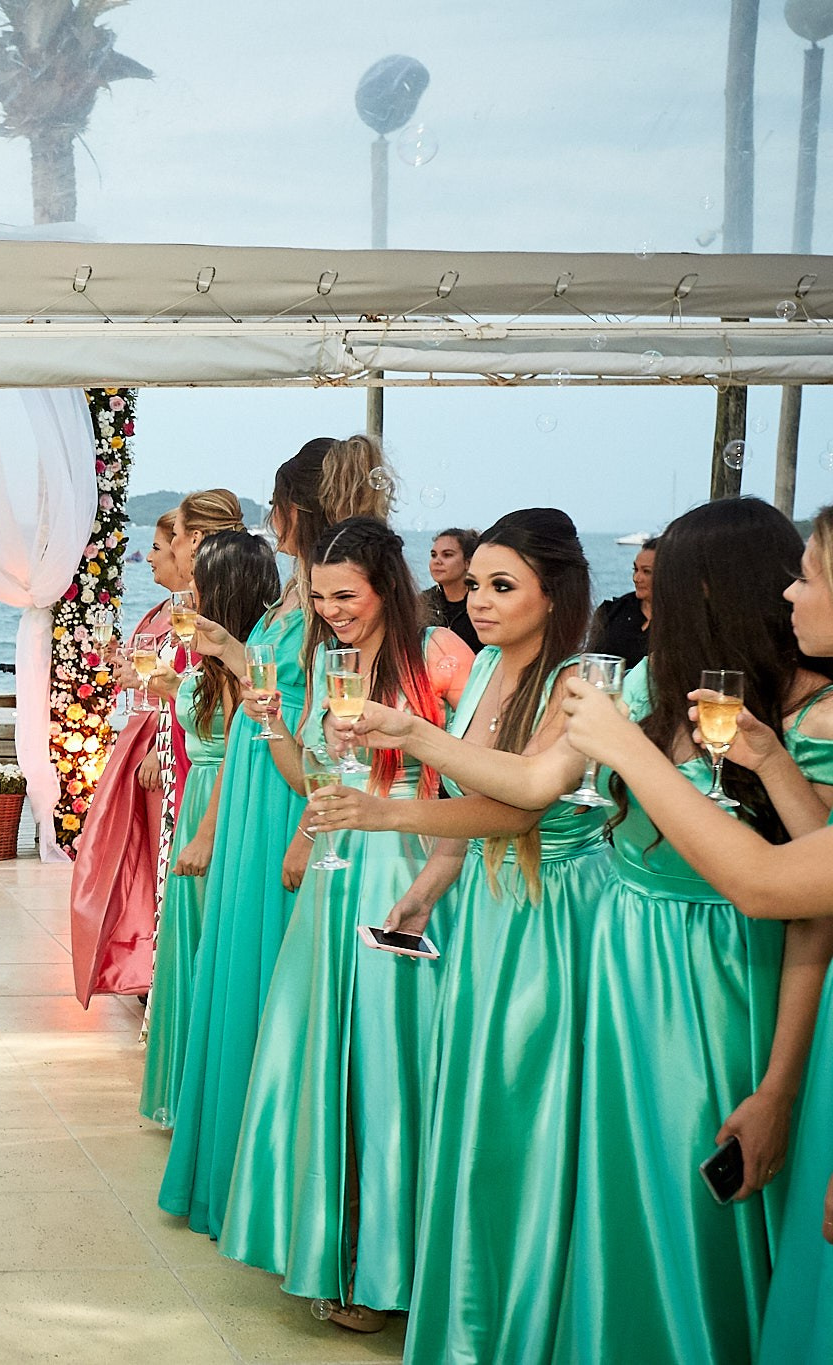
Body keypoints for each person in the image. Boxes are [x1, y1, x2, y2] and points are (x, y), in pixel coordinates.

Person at [308, 508, 609, 1362]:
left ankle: (525, 1318)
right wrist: (428, 887)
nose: (478, 600)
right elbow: (474, 810)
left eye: (502, 585)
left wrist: (386, 791)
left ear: (557, 596)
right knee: (467, 1108)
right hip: (481, 901)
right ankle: (469, 1309)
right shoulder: (481, 675)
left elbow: (523, 797)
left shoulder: (576, 683)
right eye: (474, 583)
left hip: (547, 914)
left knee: (523, 1115)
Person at [539, 498, 829, 1363]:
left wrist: (779, 1086)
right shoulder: (680, 692)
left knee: (704, 1207)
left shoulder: (817, 715)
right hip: (631, 969)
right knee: (624, 1195)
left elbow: (783, 891)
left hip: (721, 982)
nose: (789, 593)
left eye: (808, 575)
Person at [219, 517, 473, 1331]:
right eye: (321, 596)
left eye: (346, 595)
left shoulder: (437, 657)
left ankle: (387, 1267)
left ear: (384, 585)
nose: (331, 609)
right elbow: (314, 781)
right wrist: (267, 724)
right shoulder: (326, 660)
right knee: (321, 1054)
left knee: (388, 1062)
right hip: (336, 875)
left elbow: (478, 774)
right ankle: (336, 1247)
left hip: (404, 867)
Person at [157, 432, 393, 1239]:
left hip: (284, 807)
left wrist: (303, 828)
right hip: (259, 788)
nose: (270, 514)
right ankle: (231, 1179)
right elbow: (268, 704)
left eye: (276, 501)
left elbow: (330, 733)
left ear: (294, 511)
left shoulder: (326, 612)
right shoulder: (296, 604)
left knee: (267, 982)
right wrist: (226, 645)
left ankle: (266, 1192)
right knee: (237, 969)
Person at [69, 489, 246, 1008]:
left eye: (159, 545)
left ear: (190, 543)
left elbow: (204, 680)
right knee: (144, 856)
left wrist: (163, 738)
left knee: (167, 857)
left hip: (187, 748)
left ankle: (171, 976)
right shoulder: (169, 610)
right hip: (164, 736)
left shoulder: (203, 611)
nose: (150, 556)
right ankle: (156, 967)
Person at [138, 529, 279, 1126]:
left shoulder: (243, 663)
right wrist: (166, 683)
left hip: (218, 803)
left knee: (203, 947)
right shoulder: (217, 660)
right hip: (198, 794)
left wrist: (203, 834)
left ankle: (198, 1103)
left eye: (200, 585)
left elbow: (236, 744)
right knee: (187, 943)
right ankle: (186, 1095)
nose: (188, 596)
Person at [587, 537, 655, 665]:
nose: (636, 578)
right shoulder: (611, 612)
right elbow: (591, 661)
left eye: (647, 572)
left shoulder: (681, 622)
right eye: (635, 570)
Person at [423, 526, 482, 652]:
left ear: (468, 562)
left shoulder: (481, 603)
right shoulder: (422, 603)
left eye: (447, 555)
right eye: (433, 555)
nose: (437, 561)